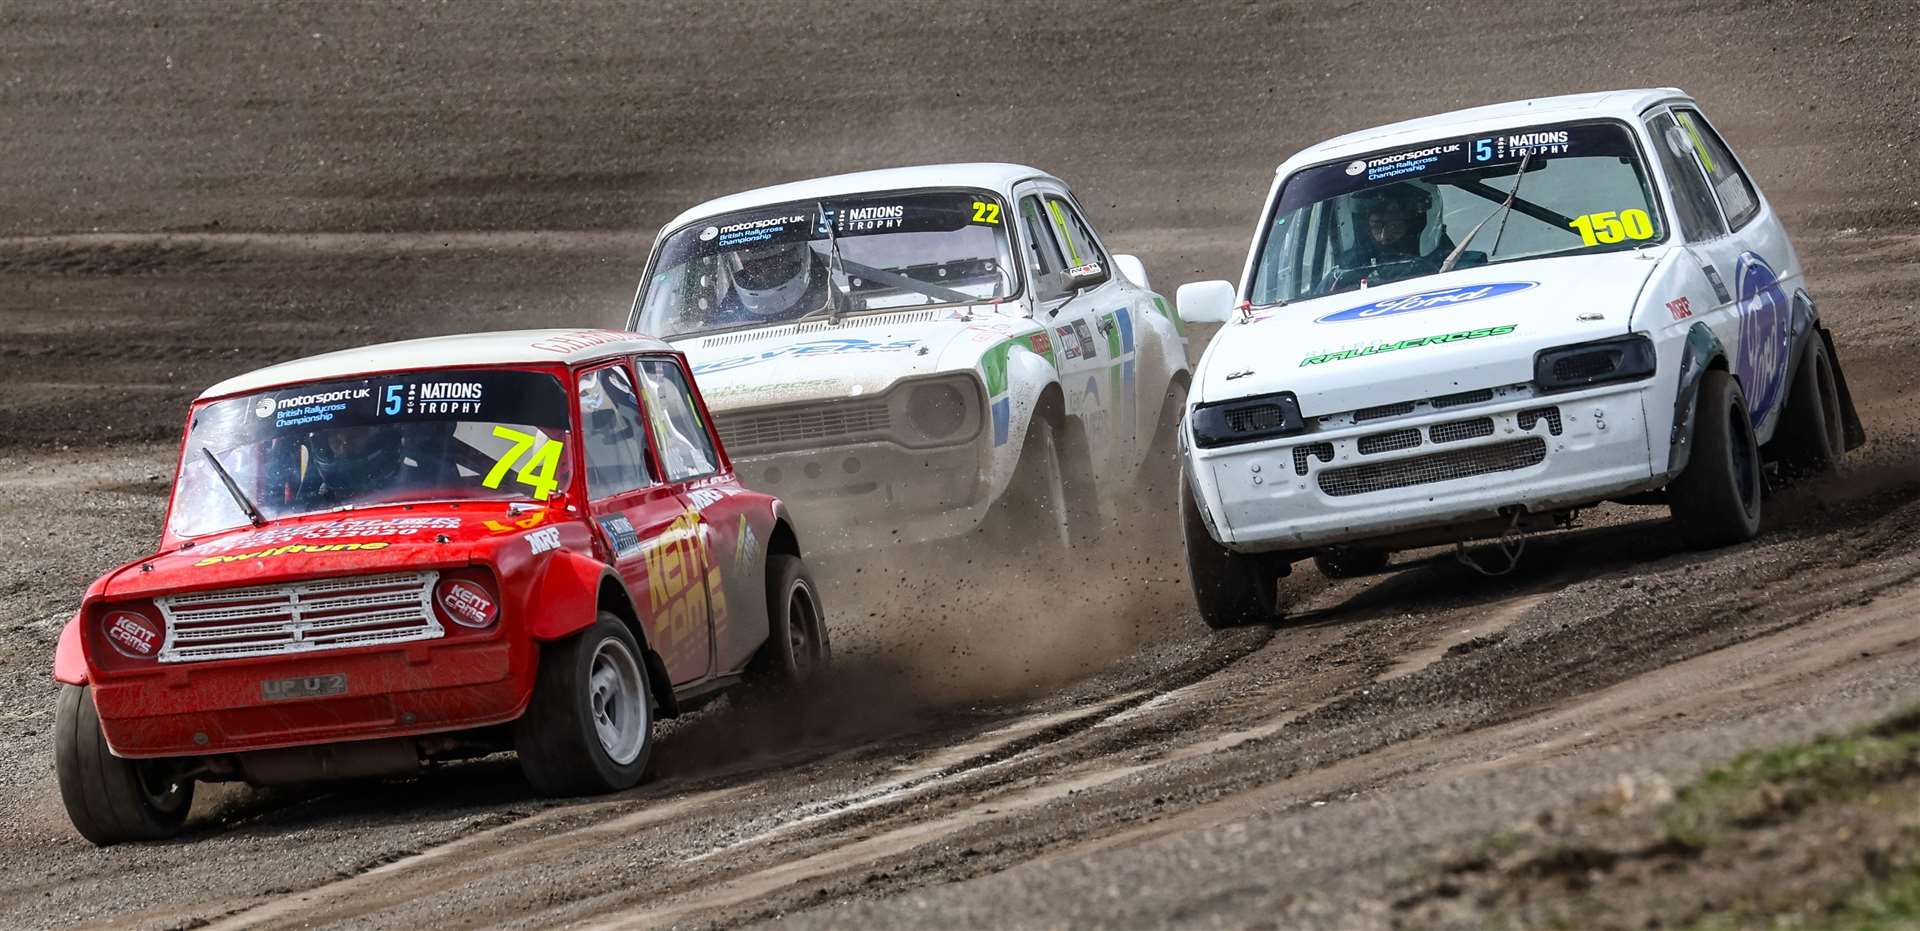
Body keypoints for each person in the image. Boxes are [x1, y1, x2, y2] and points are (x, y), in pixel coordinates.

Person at [1323, 183, 1456, 292]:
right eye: (1377, 227)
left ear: (1413, 226)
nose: (1384, 236)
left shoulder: (1447, 259)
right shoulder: (1345, 269)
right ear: (1366, 228)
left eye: (1394, 226)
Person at [711, 239, 832, 325]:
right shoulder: (733, 304)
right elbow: (710, 327)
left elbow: (842, 307)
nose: (764, 273)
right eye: (754, 267)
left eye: (773, 263)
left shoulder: (826, 296)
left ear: (791, 259)